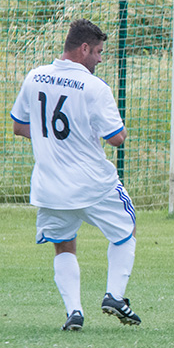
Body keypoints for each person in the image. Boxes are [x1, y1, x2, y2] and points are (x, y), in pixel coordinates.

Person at [10, 18, 140, 331]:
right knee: (126, 229)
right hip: (93, 184)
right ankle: (115, 295)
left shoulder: (35, 76)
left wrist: (50, 138)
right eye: (97, 52)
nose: (99, 58)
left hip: (50, 186)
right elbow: (117, 138)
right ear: (83, 48)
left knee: (63, 244)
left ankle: (74, 312)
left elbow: (18, 126)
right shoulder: (95, 87)